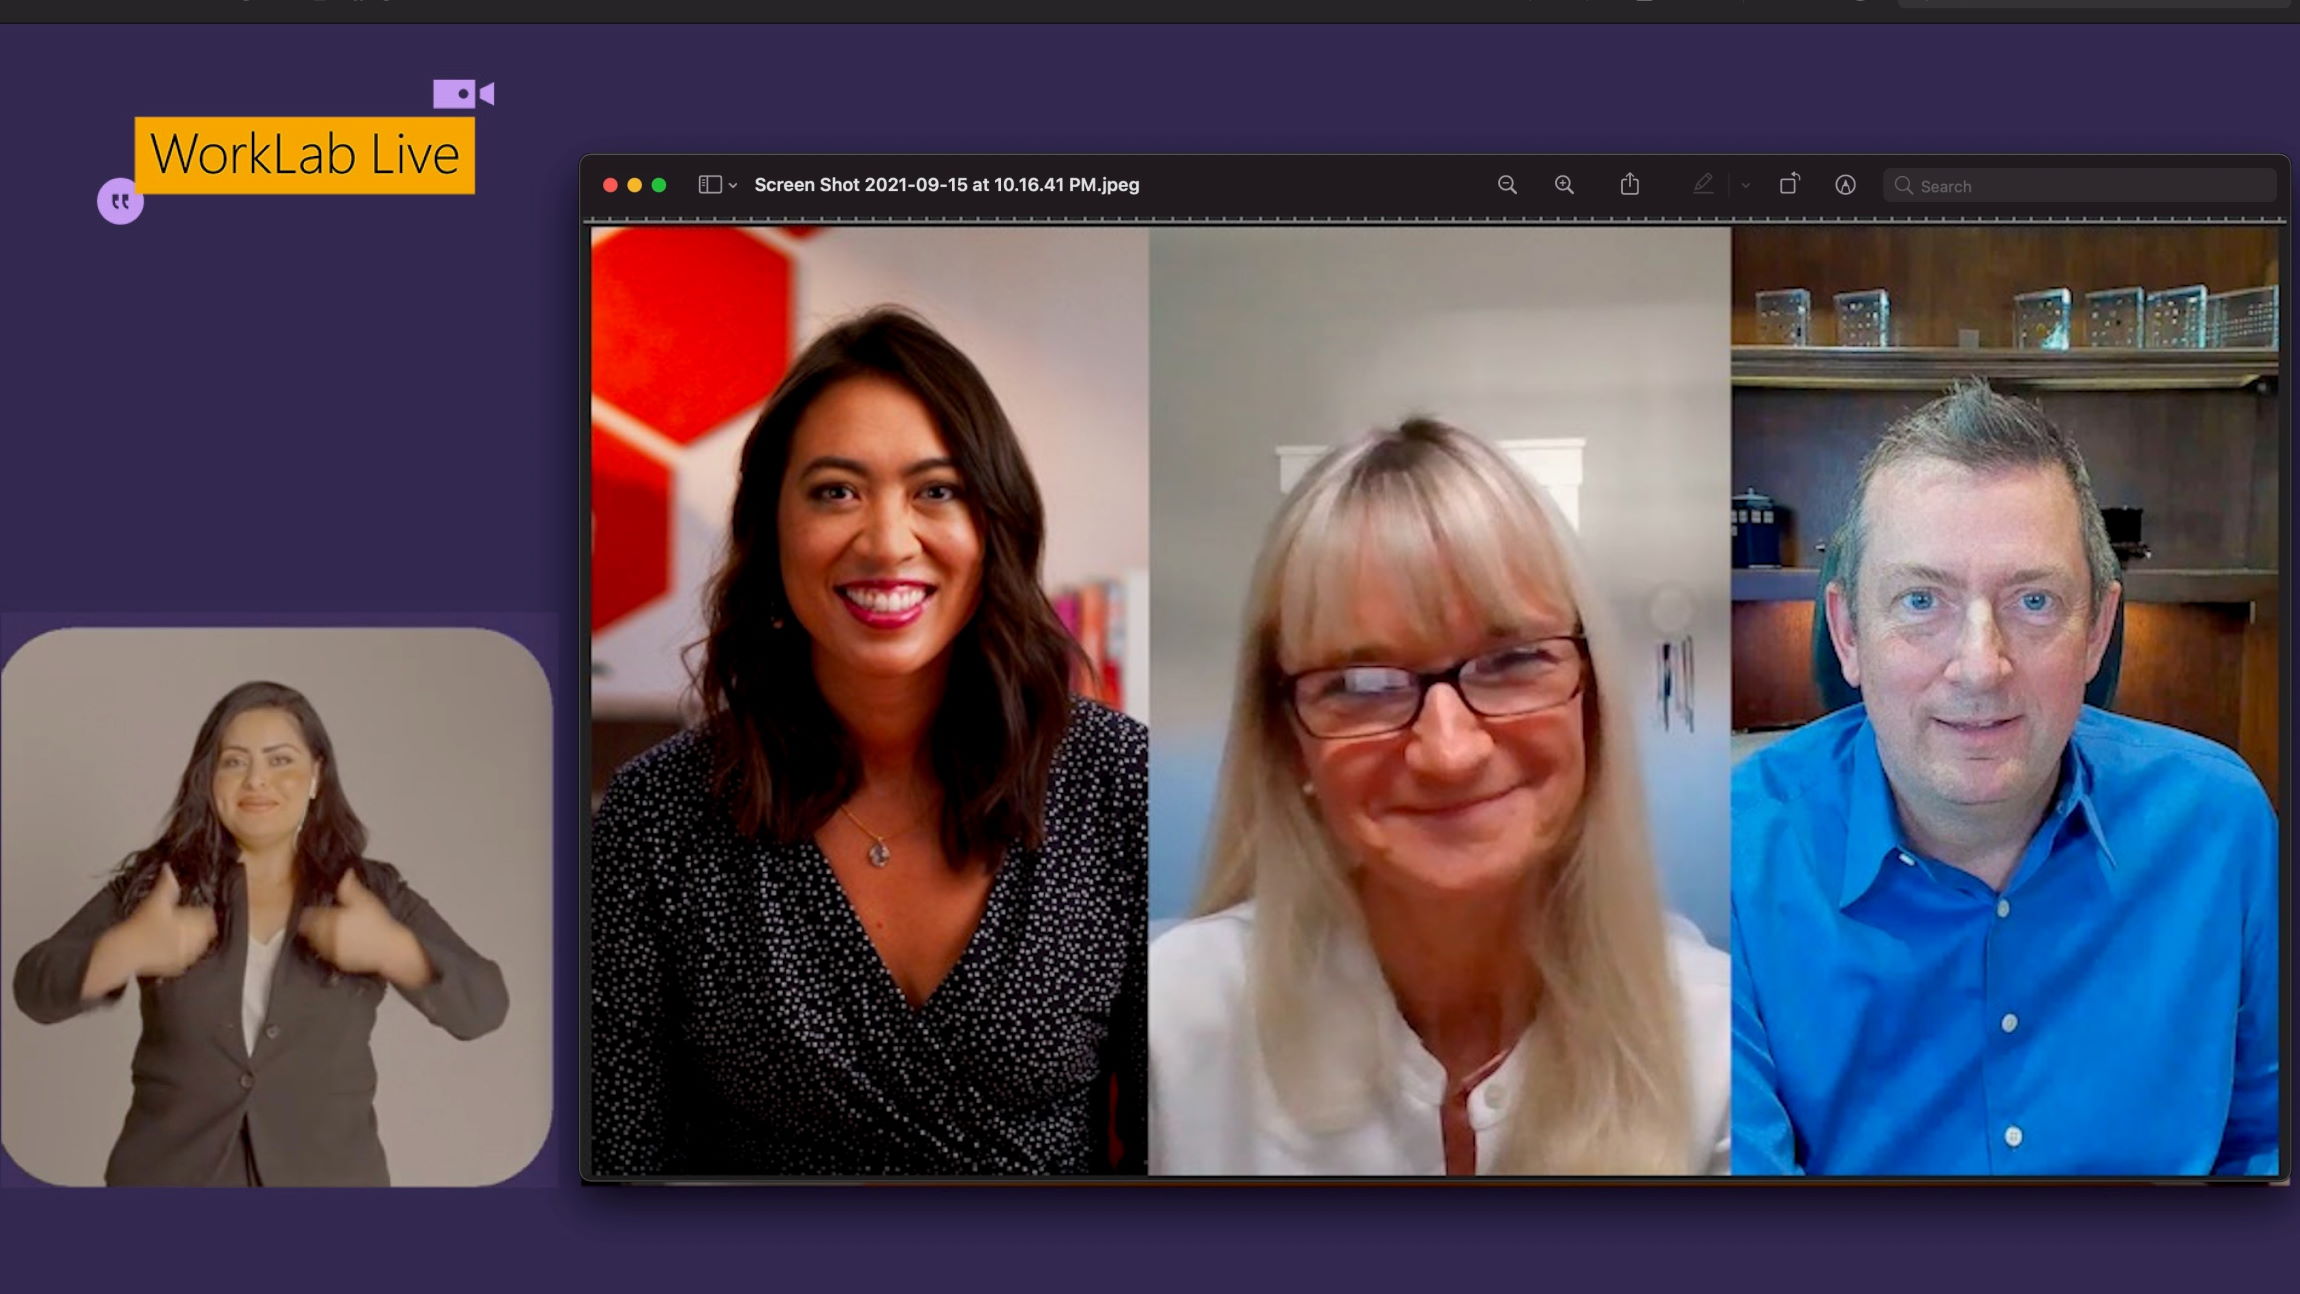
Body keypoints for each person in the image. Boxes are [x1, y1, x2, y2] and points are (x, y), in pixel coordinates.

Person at [587, 307, 1147, 1177]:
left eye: (937, 490)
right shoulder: (657, 816)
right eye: (836, 491)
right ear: (772, 532)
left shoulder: (1117, 787)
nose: (888, 542)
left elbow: (1175, 1158)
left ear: (994, 525)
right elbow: (614, 1161)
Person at [1149, 419, 1729, 1176]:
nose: (1450, 753)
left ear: (1591, 703)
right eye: (1360, 686)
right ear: (1289, 740)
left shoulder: (1717, 1040)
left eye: (1514, 660)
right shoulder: (1166, 1027)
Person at [1732, 382, 2279, 1176]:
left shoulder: (2220, 826)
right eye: (1922, 600)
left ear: (2096, 632)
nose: (1981, 668)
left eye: (2033, 600)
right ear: (1849, 634)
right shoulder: (1734, 855)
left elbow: (2266, 1145)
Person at [11, 680, 508, 1187]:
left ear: (316, 775)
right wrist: (123, 950)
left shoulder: (370, 890)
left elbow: (486, 1007)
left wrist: (396, 952)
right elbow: (33, 988)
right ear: (209, 779)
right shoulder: (159, 885)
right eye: (234, 762)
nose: (257, 781)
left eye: (280, 760)